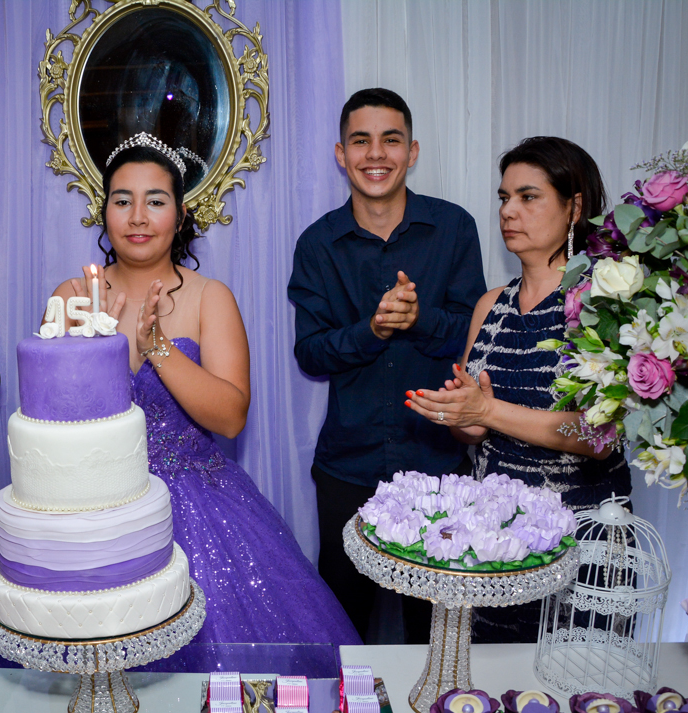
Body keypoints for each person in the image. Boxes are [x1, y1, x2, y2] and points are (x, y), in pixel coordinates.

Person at [50, 133, 361, 657]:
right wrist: (99, 344)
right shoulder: (74, 296)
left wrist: (158, 349)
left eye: (155, 200)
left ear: (180, 212)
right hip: (94, 509)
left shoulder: (209, 296)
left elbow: (232, 416)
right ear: (104, 212)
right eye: (122, 200)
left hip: (197, 508)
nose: (138, 216)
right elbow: (54, 423)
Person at [406, 136, 632, 642]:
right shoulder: (491, 305)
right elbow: (478, 432)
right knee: (486, 700)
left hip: (580, 543)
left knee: (574, 702)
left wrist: (487, 407)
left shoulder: (603, 300)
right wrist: (459, 416)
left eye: (528, 197)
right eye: (505, 198)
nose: (509, 210)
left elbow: (600, 435)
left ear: (574, 207)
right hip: (496, 543)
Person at [288, 89, 486, 642]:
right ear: (340, 154)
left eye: (390, 139)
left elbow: (475, 333)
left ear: (412, 150)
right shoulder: (318, 245)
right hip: (346, 469)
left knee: (438, 634)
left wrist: (420, 319)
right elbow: (311, 354)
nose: (376, 154)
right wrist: (370, 331)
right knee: (345, 630)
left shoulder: (454, 228)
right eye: (361, 141)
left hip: (439, 464)